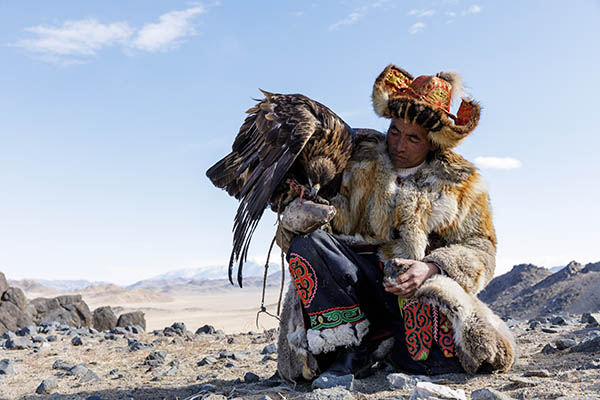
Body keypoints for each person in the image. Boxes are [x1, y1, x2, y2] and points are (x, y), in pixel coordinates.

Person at [275, 65, 517, 382]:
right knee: (308, 245)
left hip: (414, 291)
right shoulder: (359, 161)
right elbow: (330, 226)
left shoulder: (462, 183)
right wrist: (300, 215)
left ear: (433, 142)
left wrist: (432, 267)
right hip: (355, 286)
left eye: (413, 138)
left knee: (430, 360)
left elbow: (482, 251)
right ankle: (347, 349)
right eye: (394, 131)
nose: (398, 145)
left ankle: (397, 349)